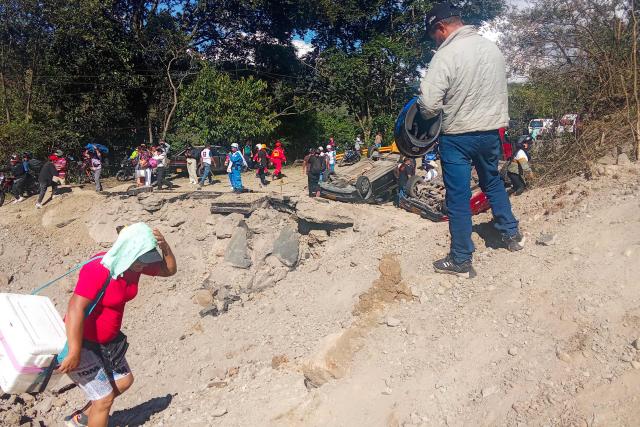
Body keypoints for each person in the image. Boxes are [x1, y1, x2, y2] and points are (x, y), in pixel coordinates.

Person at [419, 2, 524, 278]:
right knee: (492, 181)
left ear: (441, 28)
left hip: (457, 136)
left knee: (458, 196)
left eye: (434, 35)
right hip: (491, 132)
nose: (436, 40)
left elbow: (428, 105)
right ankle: (511, 234)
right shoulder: (492, 49)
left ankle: (461, 259)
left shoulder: (446, 55)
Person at [58, 224, 176, 427]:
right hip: (82, 340)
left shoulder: (134, 264)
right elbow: (75, 308)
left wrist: (165, 247)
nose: (142, 266)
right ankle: (95, 413)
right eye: (140, 260)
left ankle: (82, 419)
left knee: (123, 381)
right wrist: (74, 351)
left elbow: (169, 270)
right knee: (104, 400)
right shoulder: (99, 269)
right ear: (129, 250)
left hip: (108, 341)